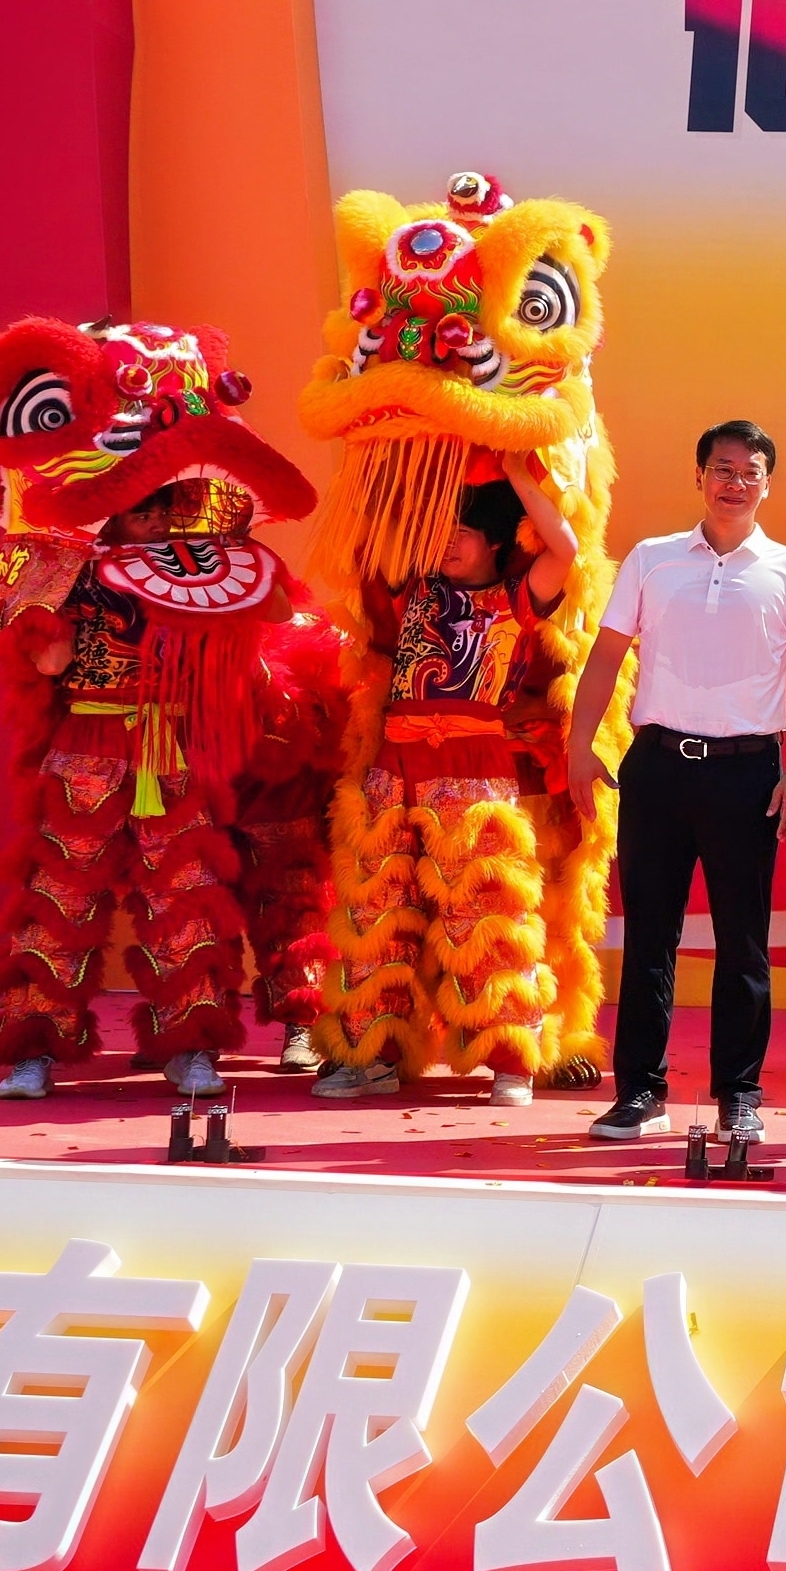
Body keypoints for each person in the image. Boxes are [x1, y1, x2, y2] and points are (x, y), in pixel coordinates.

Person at [567, 421, 786, 1147]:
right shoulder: (652, 559)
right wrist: (580, 745)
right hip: (656, 766)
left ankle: (738, 1094)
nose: (734, 482)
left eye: (749, 472)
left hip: (747, 772)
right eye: (722, 468)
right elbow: (606, 653)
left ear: (767, 484)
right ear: (698, 476)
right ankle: (639, 1092)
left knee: (743, 941)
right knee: (650, 936)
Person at [315, 454, 576, 1106]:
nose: (448, 544)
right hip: (394, 768)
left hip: (474, 770)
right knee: (378, 913)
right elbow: (375, 526)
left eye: (462, 532)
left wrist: (517, 472)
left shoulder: (516, 597)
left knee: (484, 913)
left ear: (495, 541)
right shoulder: (414, 589)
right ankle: (371, 1054)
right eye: (441, 532)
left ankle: (510, 1060)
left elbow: (565, 548)